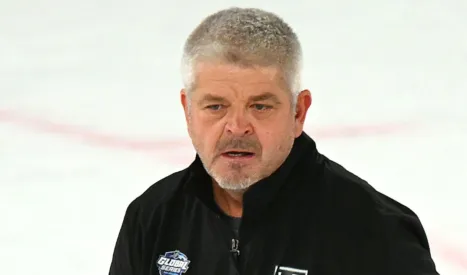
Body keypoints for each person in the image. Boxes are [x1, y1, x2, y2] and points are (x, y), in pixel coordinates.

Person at [109, 7, 439, 275]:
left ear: (298, 112)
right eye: (215, 106)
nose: (236, 127)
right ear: (188, 110)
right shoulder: (152, 218)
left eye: (260, 106)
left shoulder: (373, 230)